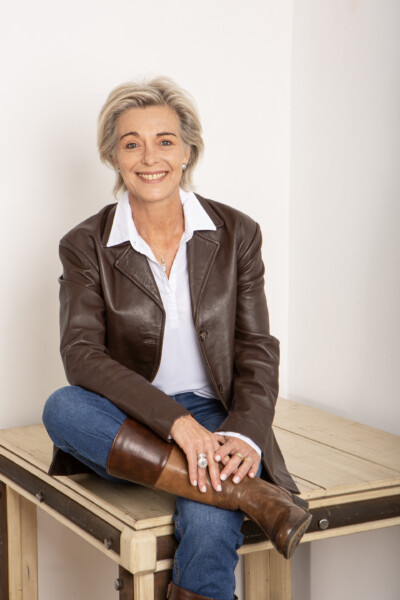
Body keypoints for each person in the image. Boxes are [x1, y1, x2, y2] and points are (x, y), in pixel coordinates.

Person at [43, 76, 311, 600]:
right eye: (131, 143)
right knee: (62, 408)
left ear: (187, 151)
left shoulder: (238, 233)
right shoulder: (84, 245)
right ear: (114, 157)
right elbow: (81, 356)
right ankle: (250, 493)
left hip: (216, 415)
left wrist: (245, 435)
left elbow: (257, 347)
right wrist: (176, 424)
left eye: (164, 141)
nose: (150, 157)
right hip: (130, 420)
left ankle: (225, 482)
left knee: (209, 526)